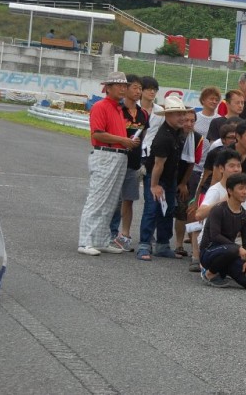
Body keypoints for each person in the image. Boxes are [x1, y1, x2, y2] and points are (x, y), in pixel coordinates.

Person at [78, 72, 138, 257]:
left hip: (119, 154)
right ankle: (86, 241)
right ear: (108, 88)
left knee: (111, 202)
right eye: (118, 85)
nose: (122, 88)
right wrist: (123, 140)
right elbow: (97, 133)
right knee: (97, 199)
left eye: (124, 86)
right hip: (106, 154)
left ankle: (101, 240)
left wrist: (125, 141)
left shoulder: (118, 108)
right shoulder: (100, 106)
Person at [137, 95, 191, 261]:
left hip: (170, 177)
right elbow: (158, 165)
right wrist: (154, 185)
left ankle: (163, 245)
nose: (182, 117)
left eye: (183, 113)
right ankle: (144, 245)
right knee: (152, 209)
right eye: (178, 114)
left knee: (167, 211)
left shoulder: (178, 132)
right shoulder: (163, 137)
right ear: (167, 115)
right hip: (156, 176)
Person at [110, 74, 149, 252]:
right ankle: (110, 232)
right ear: (125, 89)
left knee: (129, 199)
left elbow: (144, 136)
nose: (138, 91)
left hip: (133, 162)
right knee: (113, 199)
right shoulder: (118, 110)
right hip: (116, 159)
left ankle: (125, 235)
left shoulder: (143, 113)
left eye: (140, 88)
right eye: (135, 87)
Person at [199, 173, 246, 290]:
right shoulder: (218, 209)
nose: (245, 192)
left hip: (229, 253)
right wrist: (238, 248)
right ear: (230, 191)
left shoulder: (245, 215)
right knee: (232, 249)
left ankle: (223, 271)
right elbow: (215, 236)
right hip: (209, 252)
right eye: (241, 188)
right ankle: (209, 273)